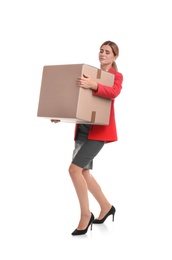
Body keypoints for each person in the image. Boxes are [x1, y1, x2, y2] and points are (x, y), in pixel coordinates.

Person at [51, 40, 123, 235]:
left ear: (115, 57)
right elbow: (78, 99)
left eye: (107, 52)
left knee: (74, 170)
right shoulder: (89, 72)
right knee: (83, 172)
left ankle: (85, 215)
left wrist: (94, 84)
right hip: (83, 128)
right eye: (101, 51)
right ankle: (107, 207)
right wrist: (61, 115)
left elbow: (114, 92)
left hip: (99, 131)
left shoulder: (115, 76)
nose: (103, 54)